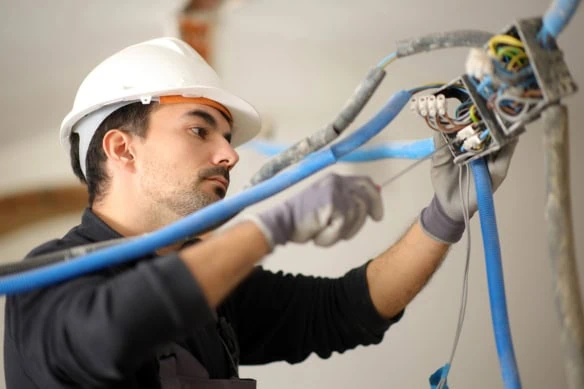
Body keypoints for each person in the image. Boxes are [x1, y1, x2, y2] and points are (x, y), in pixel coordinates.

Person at [4, 37, 516, 389]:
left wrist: (445, 216)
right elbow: (112, 329)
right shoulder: (47, 280)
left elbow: (340, 311)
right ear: (122, 149)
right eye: (200, 130)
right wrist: (268, 228)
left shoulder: (212, 289)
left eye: (227, 139)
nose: (229, 155)